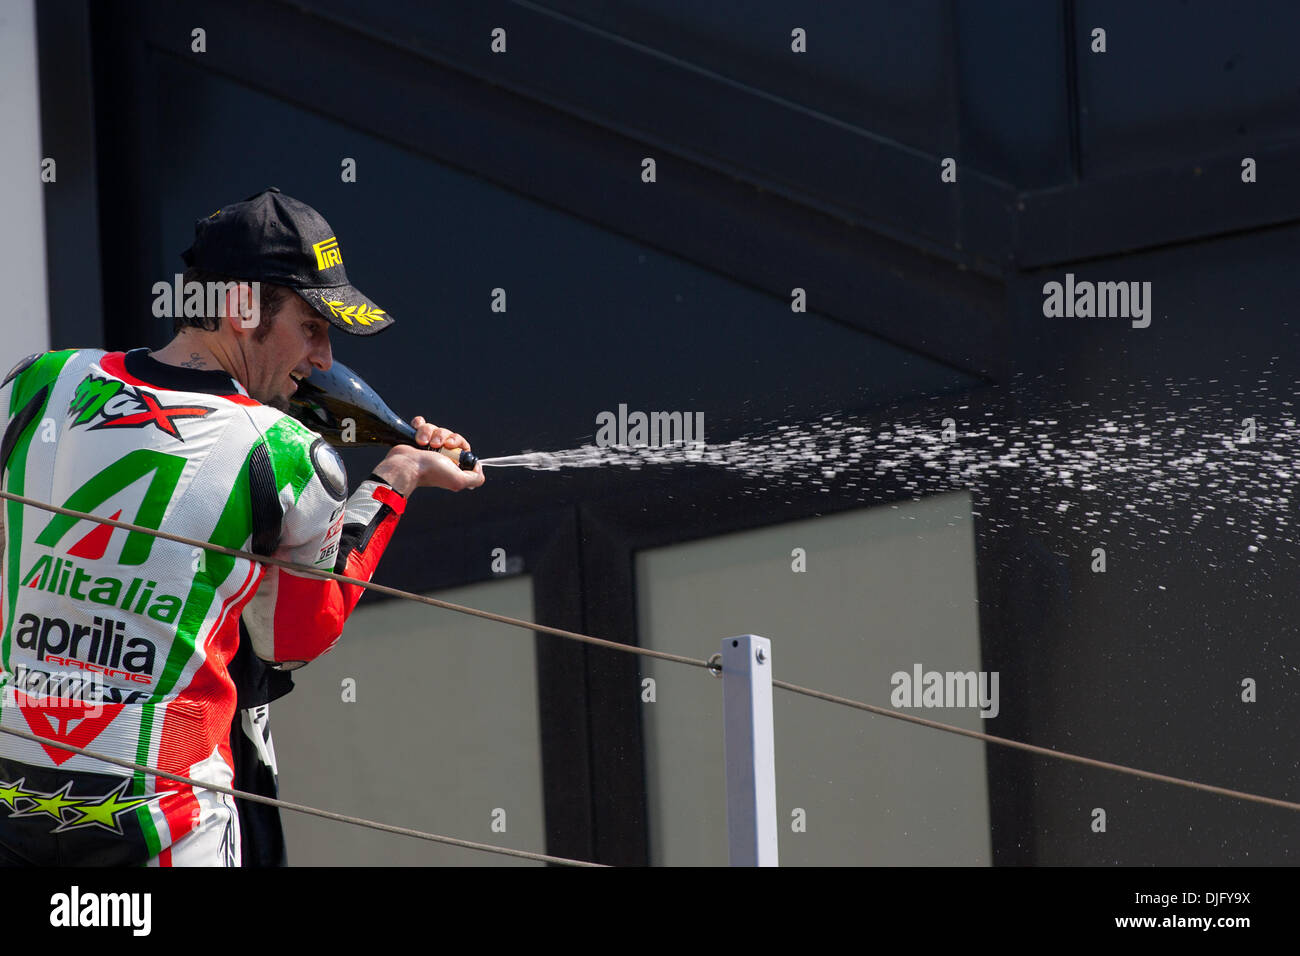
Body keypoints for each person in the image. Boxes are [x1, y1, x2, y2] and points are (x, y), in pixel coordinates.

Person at [0, 188, 483, 866]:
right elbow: (293, 640)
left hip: (13, 800)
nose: (322, 358)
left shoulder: (42, 384)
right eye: (312, 327)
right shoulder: (288, 452)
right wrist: (397, 479)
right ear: (239, 309)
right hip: (166, 825)